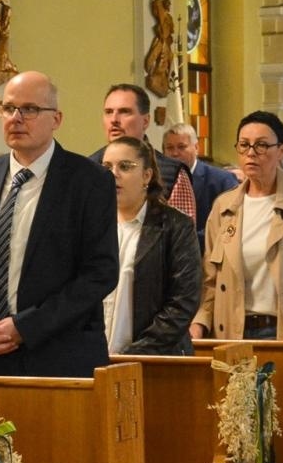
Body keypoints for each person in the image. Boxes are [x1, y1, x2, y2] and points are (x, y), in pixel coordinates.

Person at [0, 71, 118, 377]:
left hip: (58, 355)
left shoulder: (89, 180)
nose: (16, 118)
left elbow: (99, 273)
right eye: (8, 108)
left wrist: (25, 327)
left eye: (30, 109)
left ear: (57, 119)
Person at [190, 111, 283, 340]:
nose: (251, 153)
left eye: (261, 145)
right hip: (232, 331)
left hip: (280, 330)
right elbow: (211, 280)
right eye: (244, 145)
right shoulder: (224, 206)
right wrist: (200, 322)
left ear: (280, 151)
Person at [100, 136, 201, 354]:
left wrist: (135, 354)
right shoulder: (93, 225)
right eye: (107, 166)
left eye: (125, 166)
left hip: (155, 361)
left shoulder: (175, 226)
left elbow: (182, 303)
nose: (113, 173)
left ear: (147, 175)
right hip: (98, 359)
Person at [90, 83, 195, 224]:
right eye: (108, 112)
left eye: (124, 111)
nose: (114, 120)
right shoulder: (88, 168)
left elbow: (183, 238)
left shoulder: (173, 173)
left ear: (145, 121)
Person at [163, 121, 238, 241]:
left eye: (182, 147)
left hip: (208, 252)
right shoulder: (158, 181)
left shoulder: (222, 180)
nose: (175, 153)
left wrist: (186, 243)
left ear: (196, 148)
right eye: (169, 148)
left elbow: (230, 223)